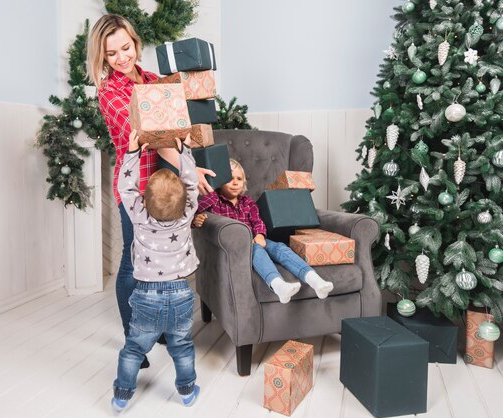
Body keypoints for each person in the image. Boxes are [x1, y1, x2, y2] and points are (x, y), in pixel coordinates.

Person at [86, 14, 213, 355]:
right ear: (102, 57)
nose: (122, 58)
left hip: (167, 185)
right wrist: (190, 168)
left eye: (125, 47)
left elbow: (179, 127)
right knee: (133, 261)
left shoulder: (156, 80)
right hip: (136, 188)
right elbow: (155, 134)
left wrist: (191, 168)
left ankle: (158, 324)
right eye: (112, 54)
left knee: (165, 262)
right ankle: (135, 337)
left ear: (136, 43)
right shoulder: (110, 93)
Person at [111, 131, 201, 412]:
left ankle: (122, 395)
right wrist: (183, 148)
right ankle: (186, 391)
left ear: (145, 200)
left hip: (145, 295)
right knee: (182, 346)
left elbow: (125, 187)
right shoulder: (187, 213)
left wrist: (132, 152)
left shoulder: (138, 216)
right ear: (183, 199)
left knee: (134, 348)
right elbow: (192, 182)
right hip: (181, 294)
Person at [193, 159, 334, 303]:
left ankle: (316, 281)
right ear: (220, 182)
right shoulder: (214, 199)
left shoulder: (247, 202)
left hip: (256, 238)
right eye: (229, 179)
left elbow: (257, 220)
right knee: (257, 250)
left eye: (239, 179)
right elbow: (193, 210)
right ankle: (278, 285)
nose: (235, 183)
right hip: (237, 247)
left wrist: (260, 234)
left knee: (279, 248)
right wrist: (196, 219)